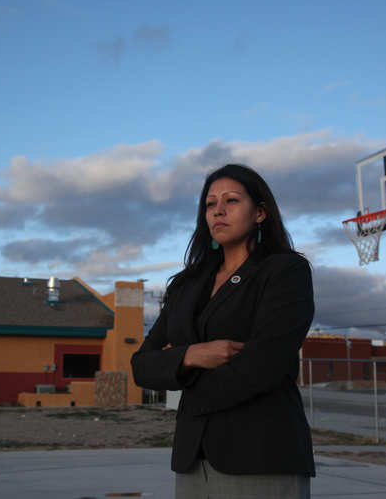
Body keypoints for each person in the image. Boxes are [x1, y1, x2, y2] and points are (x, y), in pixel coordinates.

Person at [131, 163, 315, 498]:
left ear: (260, 212)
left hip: (261, 454)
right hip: (192, 459)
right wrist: (192, 354)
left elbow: (265, 365)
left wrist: (174, 365)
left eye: (231, 201)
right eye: (210, 203)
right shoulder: (186, 285)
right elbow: (141, 366)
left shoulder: (285, 271)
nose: (218, 210)